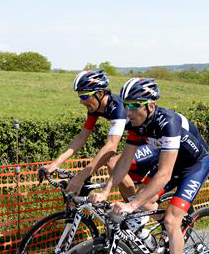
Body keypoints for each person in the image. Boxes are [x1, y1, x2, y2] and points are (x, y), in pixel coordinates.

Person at [89, 77, 209, 254]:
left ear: (151, 106)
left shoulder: (168, 123)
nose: (129, 111)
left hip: (194, 166)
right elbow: (124, 160)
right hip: (172, 163)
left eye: (134, 105)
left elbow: (164, 174)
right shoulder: (137, 124)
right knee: (145, 199)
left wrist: (131, 205)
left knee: (172, 219)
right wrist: (107, 190)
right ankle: (167, 232)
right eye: (126, 105)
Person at [44, 69, 154, 208]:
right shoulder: (94, 109)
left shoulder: (117, 107)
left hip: (153, 143)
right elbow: (81, 138)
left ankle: (136, 211)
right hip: (138, 141)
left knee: (113, 163)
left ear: (100, 93)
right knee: (115, 170)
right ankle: (133, 212)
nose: (81, 102)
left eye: (84, 97)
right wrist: (56, 162)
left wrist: (82, 175)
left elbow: (111, 146)